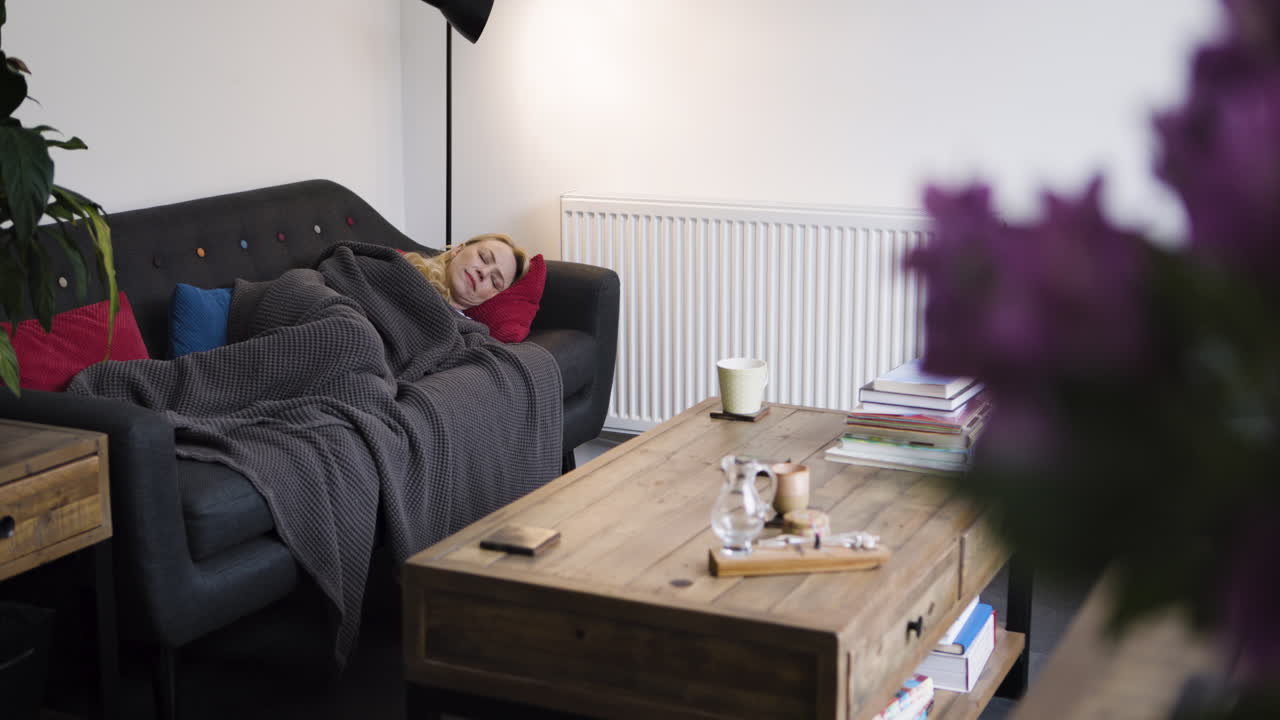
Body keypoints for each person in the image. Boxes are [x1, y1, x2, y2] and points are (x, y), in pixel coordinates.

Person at [402, 233, 528, 311]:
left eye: (495, 281)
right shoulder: (399, 267)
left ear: (492, 295)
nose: (483, 272)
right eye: (484, 257)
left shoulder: (472, 336)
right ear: (458, 250)